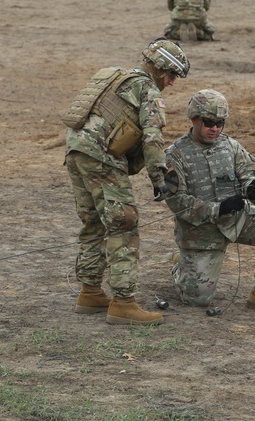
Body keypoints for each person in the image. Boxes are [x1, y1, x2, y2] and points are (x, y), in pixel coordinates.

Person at [63, 38, 191, 326]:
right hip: (101, 158)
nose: (171, 83)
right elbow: (153, 136)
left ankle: (91, 291)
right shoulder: (147, 89)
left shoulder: (114, 76)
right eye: (171, 76)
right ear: (159, 69)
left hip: (75, 151)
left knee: (94, 222)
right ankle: (123, 302)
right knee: (124, 222)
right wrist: (159, 177)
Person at [162, 89, 255, 314]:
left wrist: (253, 187)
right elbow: (178, 202)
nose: (215, 129)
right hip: (201, 231)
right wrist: (218, 208)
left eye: (220, 123)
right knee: (198, 299)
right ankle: (181, 264)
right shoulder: (174, 155)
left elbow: (249, 174)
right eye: (208, 123)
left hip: (237, 219)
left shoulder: (231, 146)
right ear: (194, 119)